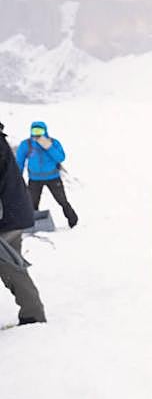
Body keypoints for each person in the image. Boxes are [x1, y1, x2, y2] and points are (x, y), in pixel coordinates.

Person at [1, 121, 47, 325]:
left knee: (10, 266)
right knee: (12, 265)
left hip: (7, 217)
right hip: (11, 213)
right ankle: (33, 312)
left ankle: (33, 314)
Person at [15, 121, 78, 228]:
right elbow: (19, 162)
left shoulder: (53, 143)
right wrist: (18, 178)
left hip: (53, 178)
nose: (37, 134)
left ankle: (73, 221)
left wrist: (49, 147)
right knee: (31, 204)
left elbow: (60, 158)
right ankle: (32, 225)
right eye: (34, 131)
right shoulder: (26, 144)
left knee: (62, 201)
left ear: (45, 131)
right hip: (34, 180)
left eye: (39, 131)